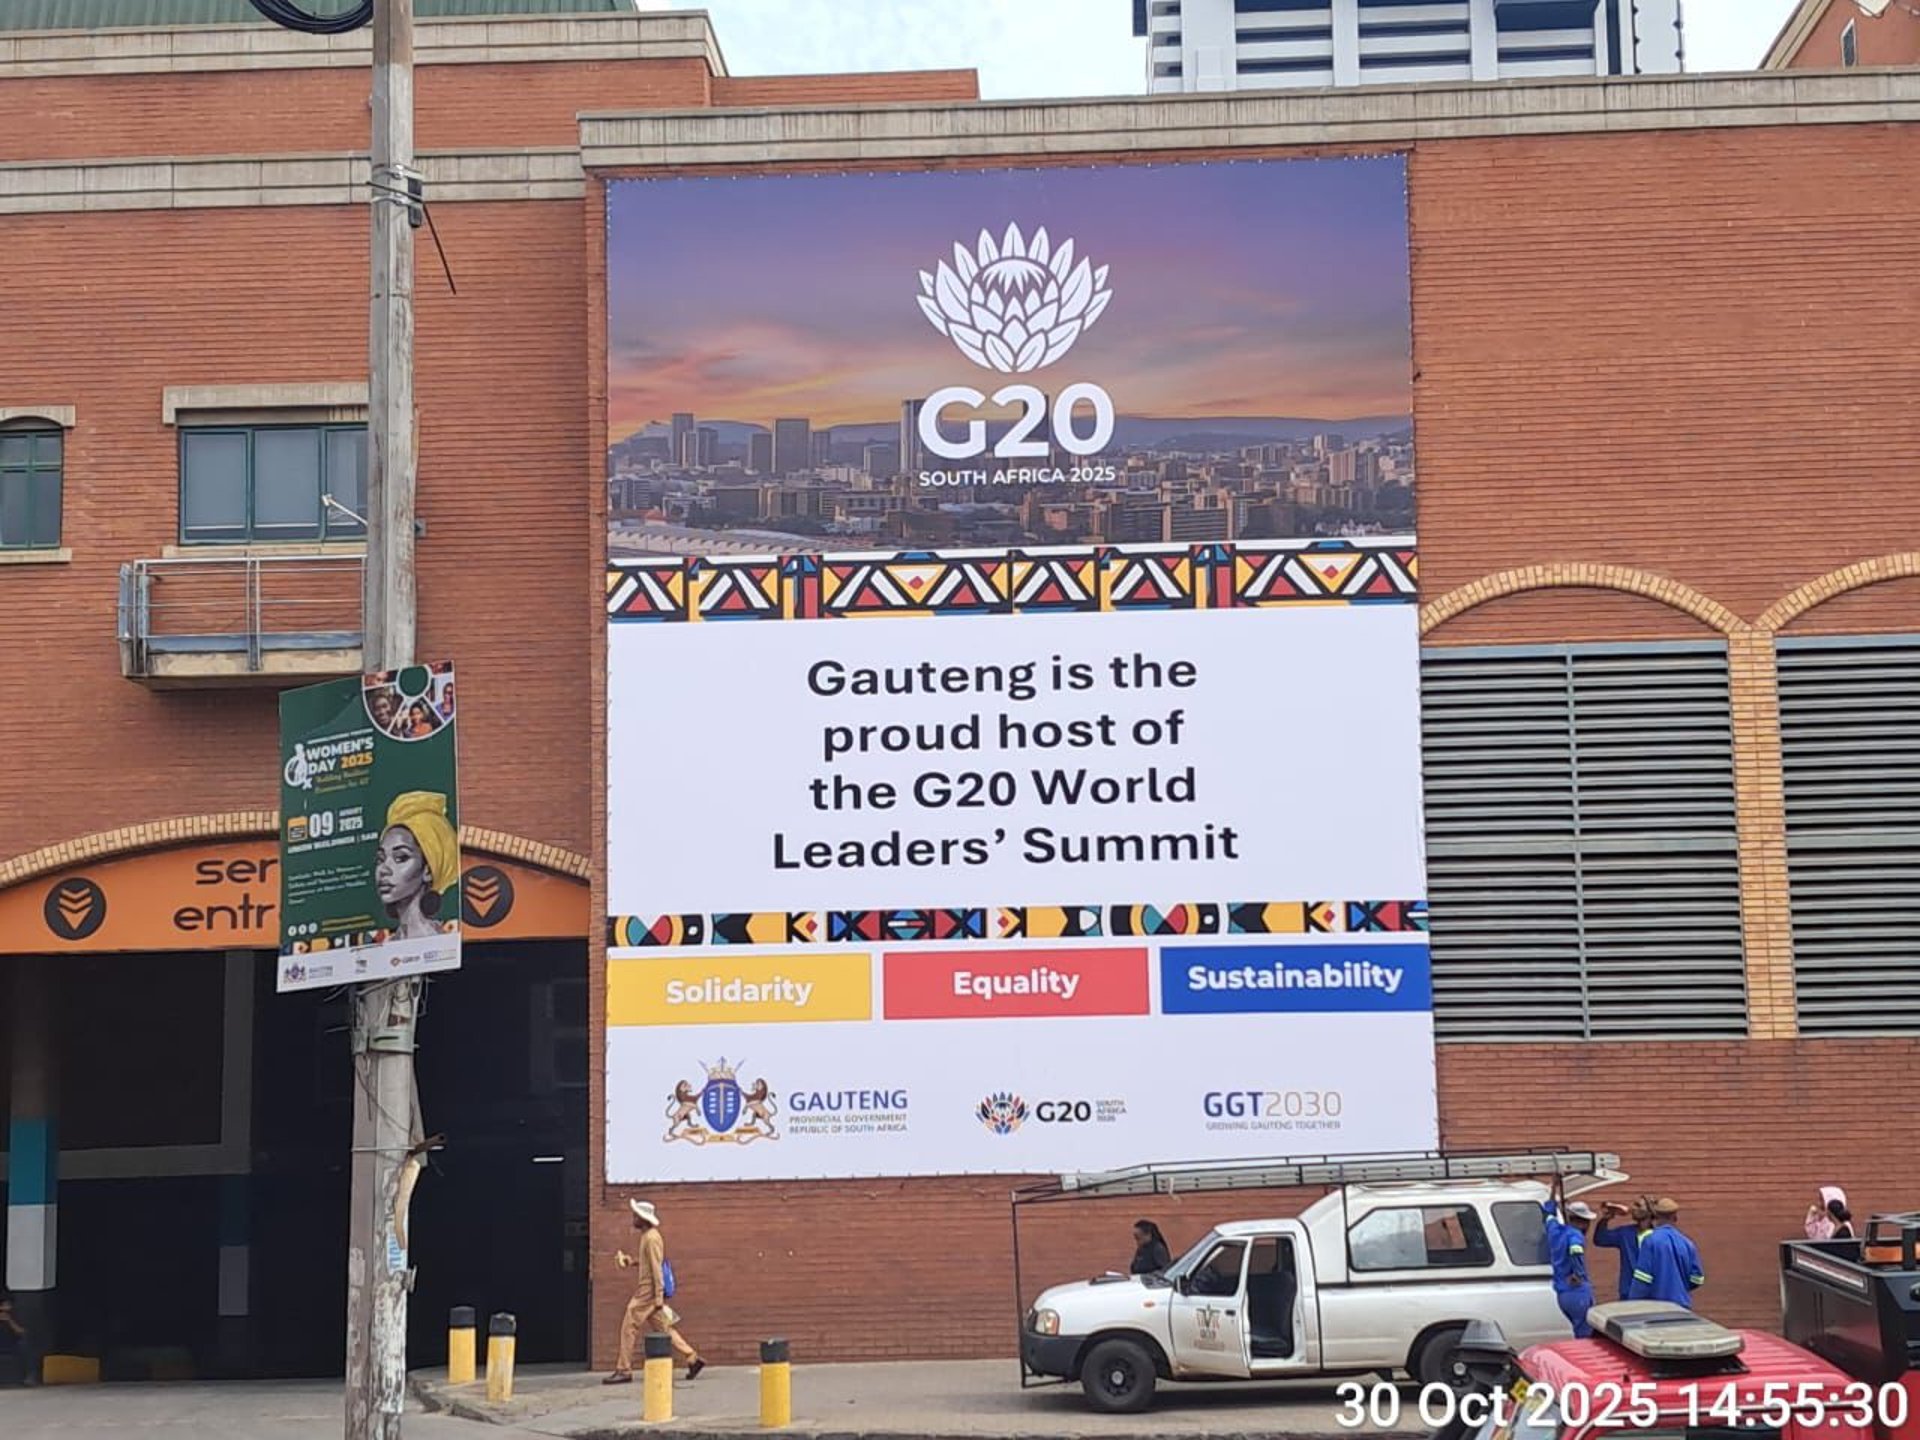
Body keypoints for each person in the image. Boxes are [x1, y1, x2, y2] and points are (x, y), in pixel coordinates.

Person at [605, 1199, 704, 1385]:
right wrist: (632, 1261)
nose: (633, 1218)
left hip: (647, 1292)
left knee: (629, 1326)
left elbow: (657, 1268)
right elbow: (649, 1263)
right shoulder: (648, 1237)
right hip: (651, 1292)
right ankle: (692, 1357)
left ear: (643, 1219)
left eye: (636, 1215)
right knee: (664, 1328)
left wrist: (658, 1296)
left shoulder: (651, 1238)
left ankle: (624, 1369)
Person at [375, 791, 458, 940]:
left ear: (428, 870)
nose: (383, 870)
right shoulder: (391, 942)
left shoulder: (437, 941)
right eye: (380, 859)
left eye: (400, 858)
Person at [1629, 1197, 1705, 1307]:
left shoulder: (1650, 1241)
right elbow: (1698, 1279)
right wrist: (1680, 1287)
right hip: (1682, 1307)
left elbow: (1642, 1278)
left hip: (1657, 1307)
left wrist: (1632, 1304)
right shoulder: (1687, 1243)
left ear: (1656, 1217)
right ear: (1675, 1217)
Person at [1543, 1200, 1597, 1338]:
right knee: (1584, 1332)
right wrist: (1578, 1273)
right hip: (1577, 1291)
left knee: (1576, 1328)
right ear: (1583, 1222)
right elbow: (1575, 1249)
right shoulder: (1575, 1234)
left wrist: (1554, 1201)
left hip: (1562, 1292)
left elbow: (1548, 1214)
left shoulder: (1555, 1231)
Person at [1592, 1198, 1652, 1300]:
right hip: (1628, 1291)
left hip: (1651, 1292)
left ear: (1650, 1211)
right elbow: (1600, 1239)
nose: (1634, 1208)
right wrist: (1605, 1219)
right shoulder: (1625, 1233)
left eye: (1638, 1205)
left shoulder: (1659, 1236)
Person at [0, 1291, 29, 1386]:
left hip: (12, 1344)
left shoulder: (15, 1315)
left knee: (24, 1347)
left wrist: (9, 1321)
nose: (6, 1308)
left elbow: (21, 1332)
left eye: (8, 1305)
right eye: (3, 1305)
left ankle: (25, 1377)